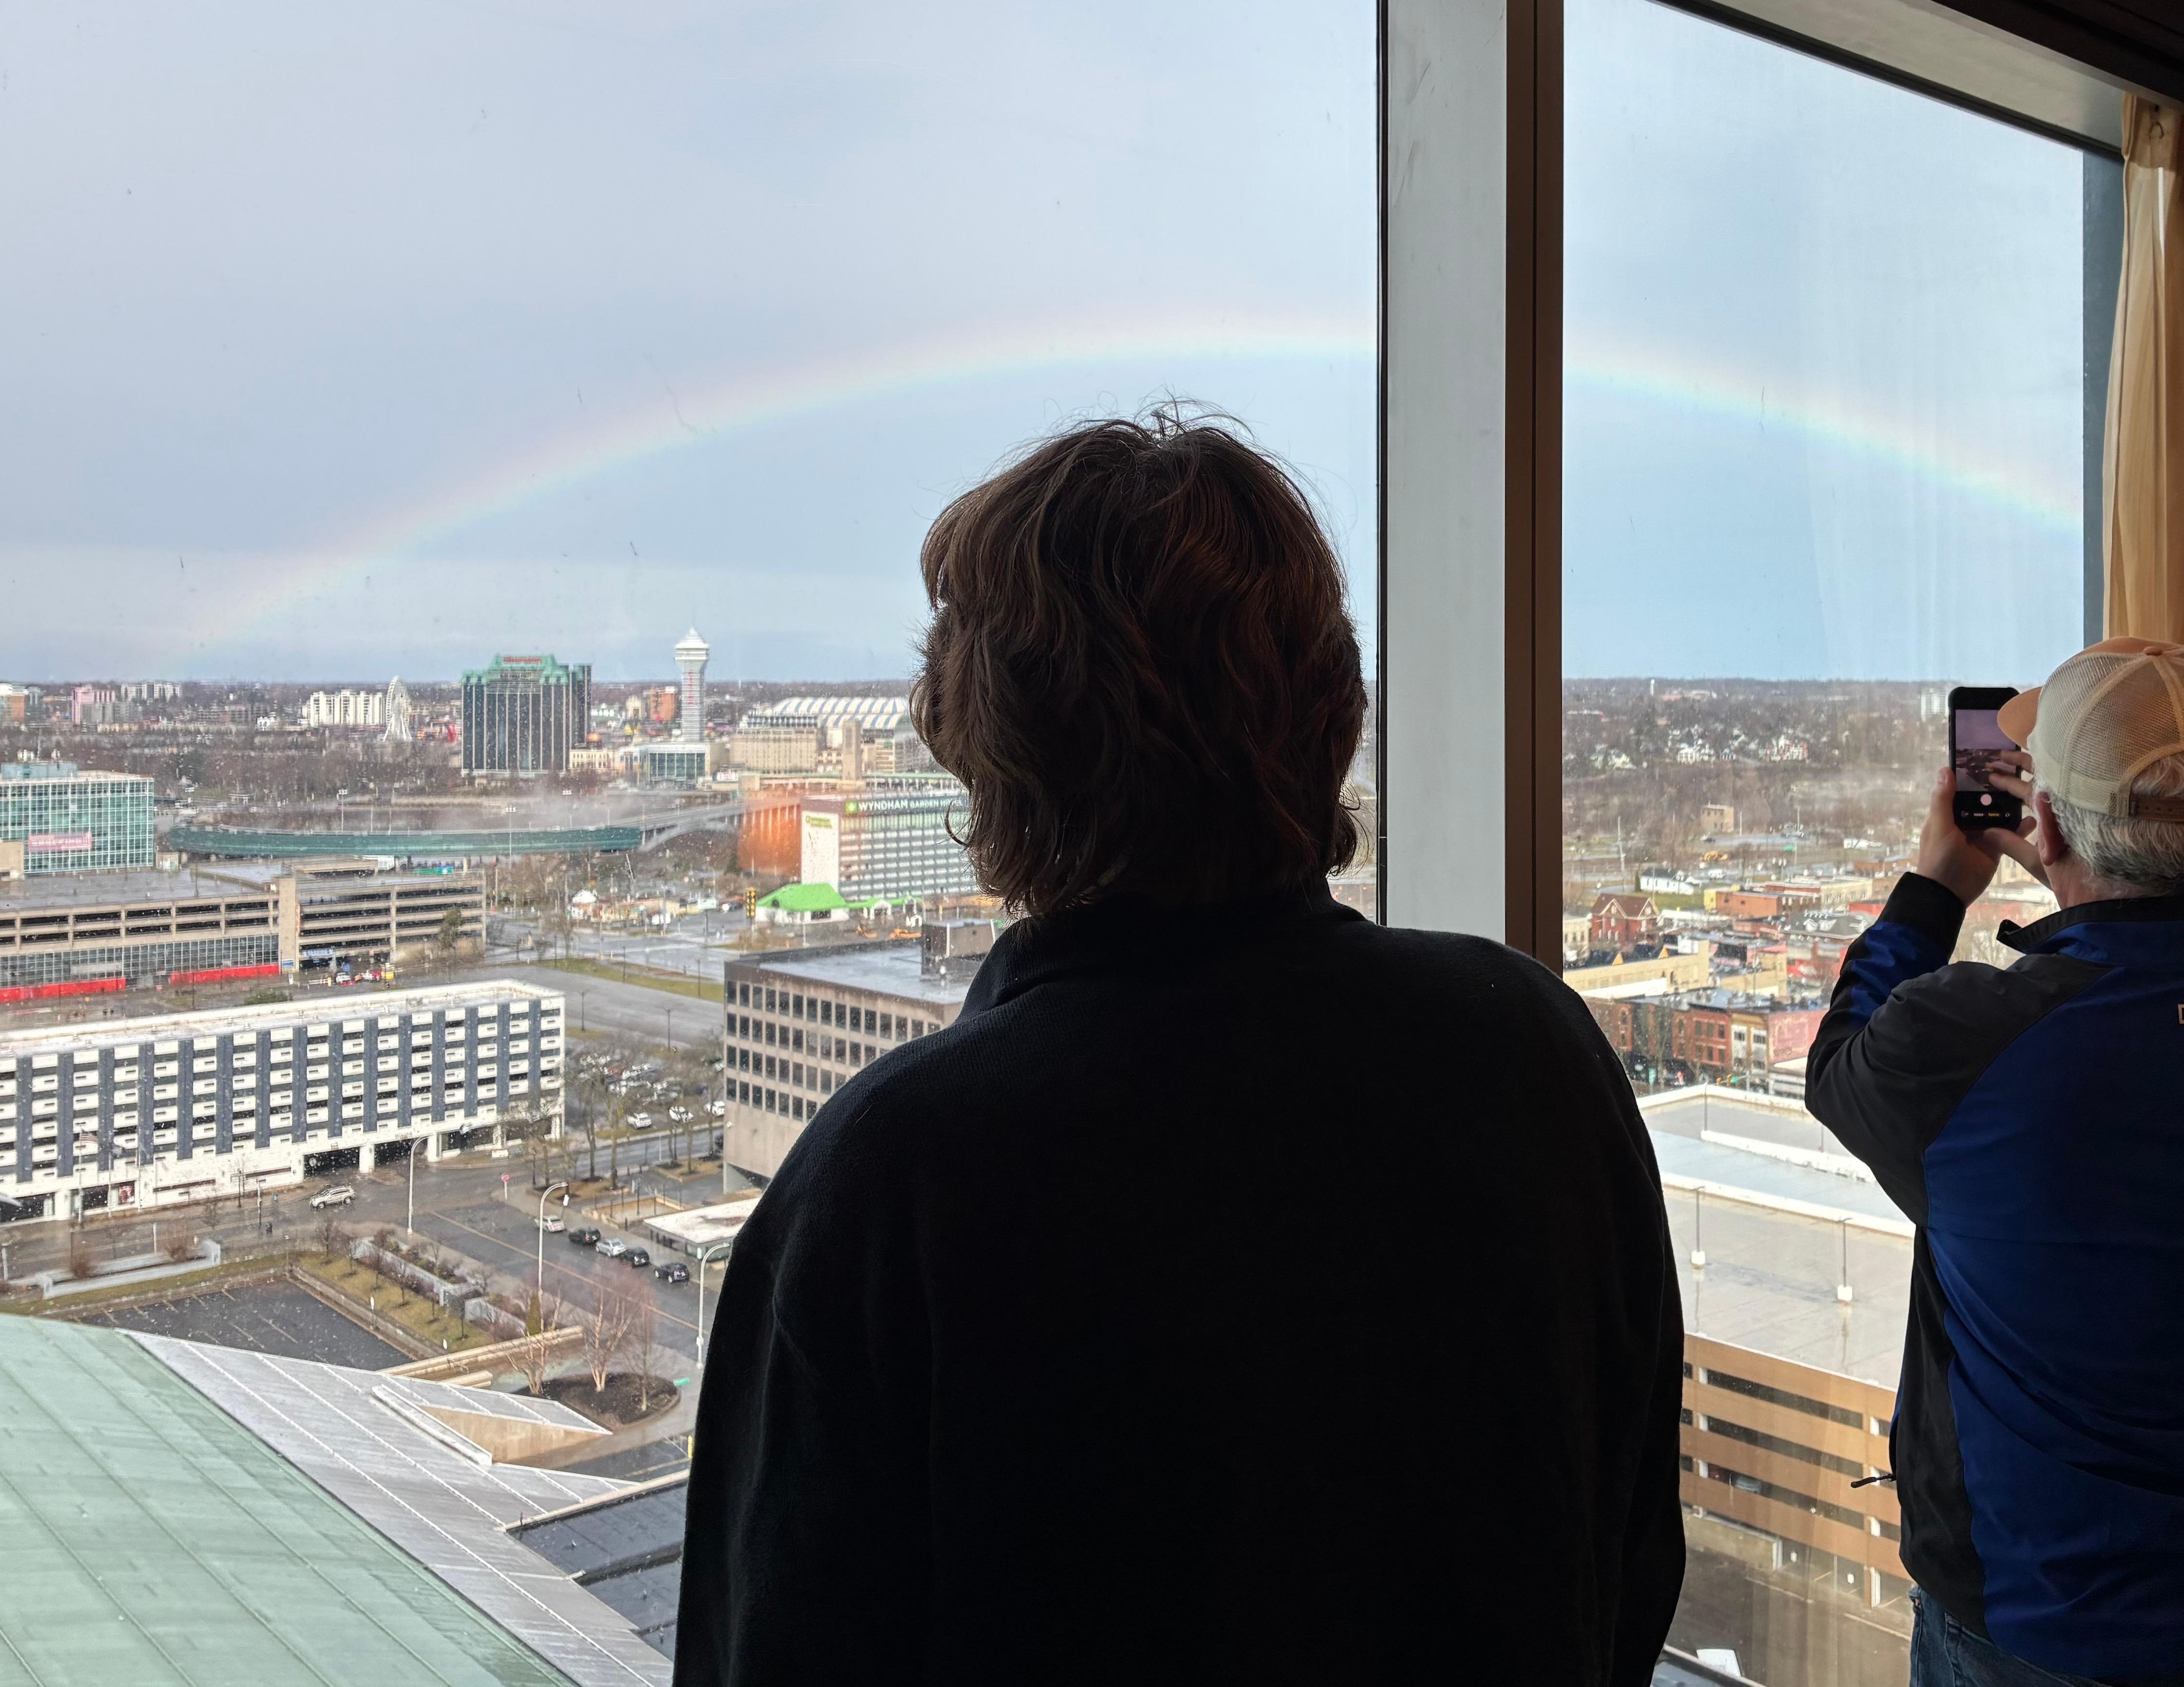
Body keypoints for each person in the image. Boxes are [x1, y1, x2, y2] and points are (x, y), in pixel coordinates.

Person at [674, 411, 1686, 1687]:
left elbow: (775, 1645)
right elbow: (1630, 1548)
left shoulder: (898, 1177)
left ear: (986, 755)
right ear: (1335, 706)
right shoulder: (1531, 1048)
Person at [1808, 639, 2184, 1687]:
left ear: (2042, 825)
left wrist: (1936, 886)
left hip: (2040, 1630)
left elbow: (1839, 1062)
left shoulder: (1960, 1046)